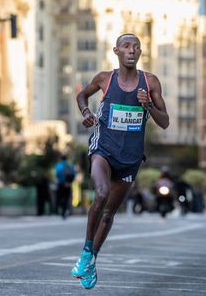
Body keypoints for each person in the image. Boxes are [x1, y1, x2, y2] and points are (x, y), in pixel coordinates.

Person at [71, 33, 169, 289]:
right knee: (101, 194)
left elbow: (165, 121)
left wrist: (149, 106)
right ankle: (85, 251)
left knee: (109, 214)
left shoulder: (150, 83)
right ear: (116, 51)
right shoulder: (106, 79)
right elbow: (82, 95)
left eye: (136, 47)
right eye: (126, 46)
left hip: (131, 158)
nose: (132, 51)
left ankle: (92, 260)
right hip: (103, 149)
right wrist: (85, 111)